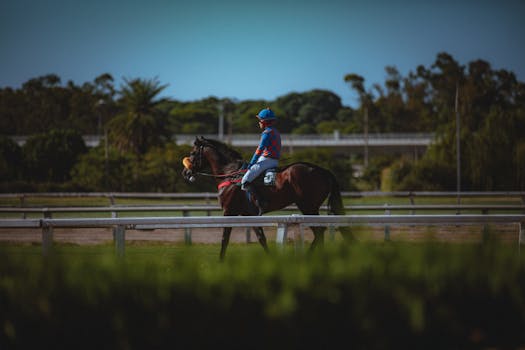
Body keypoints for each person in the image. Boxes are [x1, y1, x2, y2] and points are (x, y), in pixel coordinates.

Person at [241, 107, 281, 215]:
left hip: (266, 161)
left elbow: (260, 149)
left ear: (263, 122)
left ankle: (259, 202)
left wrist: (252, 163)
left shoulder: (267, 133)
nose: (258, 123)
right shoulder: (276, 132)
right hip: (274, 162)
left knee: (244, 181)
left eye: (259, 120)